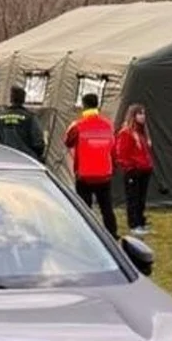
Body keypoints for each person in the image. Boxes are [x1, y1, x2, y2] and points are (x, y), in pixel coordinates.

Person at [63, 92, 118, 237]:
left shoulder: (77, 125)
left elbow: (67, 141)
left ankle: (86, 235)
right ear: (97, 105)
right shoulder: (108, 125)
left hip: (85, 174)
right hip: (104, 173)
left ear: (83, 105)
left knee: (84, 207)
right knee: (106, 206)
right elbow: (113, 146)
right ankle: (112, 233)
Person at [115, 102, 155, 236]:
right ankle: (134, 224)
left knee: (141, 198)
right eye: (139, 113)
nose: (142, 116)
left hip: (144, 170)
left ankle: (140, 221)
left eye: (143, 113)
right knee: (133, 197)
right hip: (133, 170)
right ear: (133, 115)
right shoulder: (126, 133)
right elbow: (121, 153)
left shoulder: (142, 133)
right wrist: (129, 168)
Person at [0, 85, 46, 162]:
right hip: (25, 159)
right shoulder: (30, 117)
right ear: (23, 99)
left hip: (2, 159)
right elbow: (38, 142)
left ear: (11, 99)